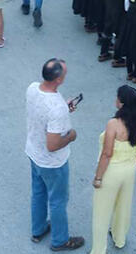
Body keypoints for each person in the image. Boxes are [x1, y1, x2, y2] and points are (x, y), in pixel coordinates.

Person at [25, 58, 85, 251]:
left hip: (34, 152)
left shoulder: (33, 88)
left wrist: (64, 111)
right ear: (58, 79)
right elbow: (53, 145)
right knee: (58, 201)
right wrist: (71, 136)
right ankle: (60, 240)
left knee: (38, 192)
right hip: (52, 163)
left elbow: (42, 113)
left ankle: (38, 229)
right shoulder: (57, 109)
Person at [89, 85, 136, 254]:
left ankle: (98, 250)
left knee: (101, 212)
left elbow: (107, 153)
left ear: (121, 103)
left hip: (112, 171)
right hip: (130, 168)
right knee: (123, 205)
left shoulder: (113, 124)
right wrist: (133, 164)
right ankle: (119, 238)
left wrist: (98, 177)